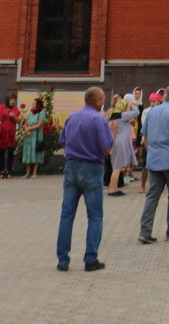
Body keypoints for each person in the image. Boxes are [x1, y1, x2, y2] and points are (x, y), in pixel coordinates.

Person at [55, 86, 114, 272]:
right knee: (95, 215)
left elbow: (63, 141)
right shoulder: (99, 119)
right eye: (102, 99)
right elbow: (106, 149)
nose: (103, 102)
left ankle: (63, 261)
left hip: (71, 166)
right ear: (97, 101)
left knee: (67, 215)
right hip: (91, 169)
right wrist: (114, 132)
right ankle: (90, 259)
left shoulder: (72, 116)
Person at [137, 84, 169, 244]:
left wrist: (149, 152)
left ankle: (145, 231)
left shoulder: (152, 111)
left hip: (153, 158)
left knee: (152, 196)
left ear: (164, 97)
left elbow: (145, 136)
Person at [107, 94, 138, 195]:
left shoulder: (112, 116)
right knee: (117, 168)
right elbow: (137, 112)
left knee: (116, 167)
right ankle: (112, 190)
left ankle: (114, 188)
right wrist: (130, 103)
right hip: (120, 143)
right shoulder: (123, 115)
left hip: (114, 142)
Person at [0, 92, 20, 179]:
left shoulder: (15, 109)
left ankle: (9, 171)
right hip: (1, 133)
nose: (13, 101)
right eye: (11, 100)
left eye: (14, 100)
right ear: (8, 100)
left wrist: (14, 116)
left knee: (10, 152)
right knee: (1, 153)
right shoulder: (1, 107)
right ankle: (2, 171)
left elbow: (19, 121)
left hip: (10, 134)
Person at [22, 96, 44, 178]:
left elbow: (39, 124)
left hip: (36, 137)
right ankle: (27, 173)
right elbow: (25, 123)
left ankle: (34, 173)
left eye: (34, 104)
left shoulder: (41, 113)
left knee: (36, 153)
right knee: (28, 153)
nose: (32, 105)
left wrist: (29, 128)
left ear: (38, 105)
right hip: (29, 136)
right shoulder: (30, 113)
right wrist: (26, 130)